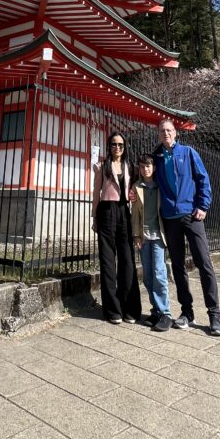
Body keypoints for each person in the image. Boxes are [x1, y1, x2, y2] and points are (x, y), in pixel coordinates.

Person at [152, 118, 220, 336]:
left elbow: (203, 179)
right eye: (162, 130)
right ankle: (187, 312)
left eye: (169, 130)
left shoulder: (188, 152)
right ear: (158, 134)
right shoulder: (156, 158)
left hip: (192, 215)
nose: (166, 133)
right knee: (177, 266)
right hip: (170, 217)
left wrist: (203, 205)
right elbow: (147, 181)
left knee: (204, 263)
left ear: (175, 133)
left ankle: (214, 315)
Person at [92, 131, 142, 325]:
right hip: (105, 211)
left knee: (127, 259)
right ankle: (112, 309)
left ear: (125, 147)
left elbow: (142, 180)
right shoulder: (101, 167)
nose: (117, 148)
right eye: (114, 144)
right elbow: (96, 193)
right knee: (107, 261)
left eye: (121, 145)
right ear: (109, 146)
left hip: (124, 211)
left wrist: (135, 194)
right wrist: (94, 217)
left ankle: (130, 308)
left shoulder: (131, 166)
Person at [130, 153, 172, 332]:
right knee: (147, 276)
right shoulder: (136, 187)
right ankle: (155, 310)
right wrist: (136, 235)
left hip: (158, 235)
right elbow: (135, 214)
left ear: (153, 168)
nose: (145, 169)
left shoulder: (161, 186)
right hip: (144, 236)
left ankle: (165, 313)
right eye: (142, 166)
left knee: (159, 273)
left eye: (148, 166)